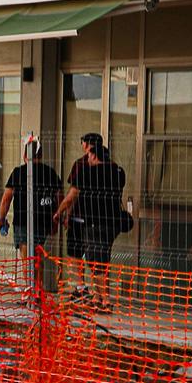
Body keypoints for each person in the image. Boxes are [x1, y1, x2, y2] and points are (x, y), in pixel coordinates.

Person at [54, 132, 128, 311]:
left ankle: (104, 299)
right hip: (113, 222)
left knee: (95, 263)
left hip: (93, 222)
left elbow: (71, 196)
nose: (87, 158)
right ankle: (98, 297)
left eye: (89, 155)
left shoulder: (87, 171)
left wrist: (59, 212)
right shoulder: (118, 171)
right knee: (103, 260)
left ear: (93, 154)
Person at [0, 140, 63, 252]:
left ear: (25, 155)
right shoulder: (50, 173)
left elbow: (6, 200)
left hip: (23, 221)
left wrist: (1, 219)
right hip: (43, 221)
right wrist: (57, 218)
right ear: (41, 155)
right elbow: (60, 198)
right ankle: (38, 269)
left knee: (27, 258)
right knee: (38, 257)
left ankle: (32, 270)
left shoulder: (18, 173)